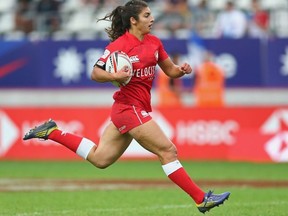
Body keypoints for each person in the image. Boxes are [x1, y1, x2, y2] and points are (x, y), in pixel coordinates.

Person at [23, 0, 230, 213]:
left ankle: (53, 132)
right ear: (133, 20)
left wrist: (182, 70)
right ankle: (201, 199)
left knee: (100, 159)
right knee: (168, 150)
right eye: (147, 15)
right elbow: (95, 73)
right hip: (128, 108)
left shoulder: (155, 43)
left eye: (151, 15)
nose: (152, 19)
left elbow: (170, 70)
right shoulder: (119, 46)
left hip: (129, 110)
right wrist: (114, 75)